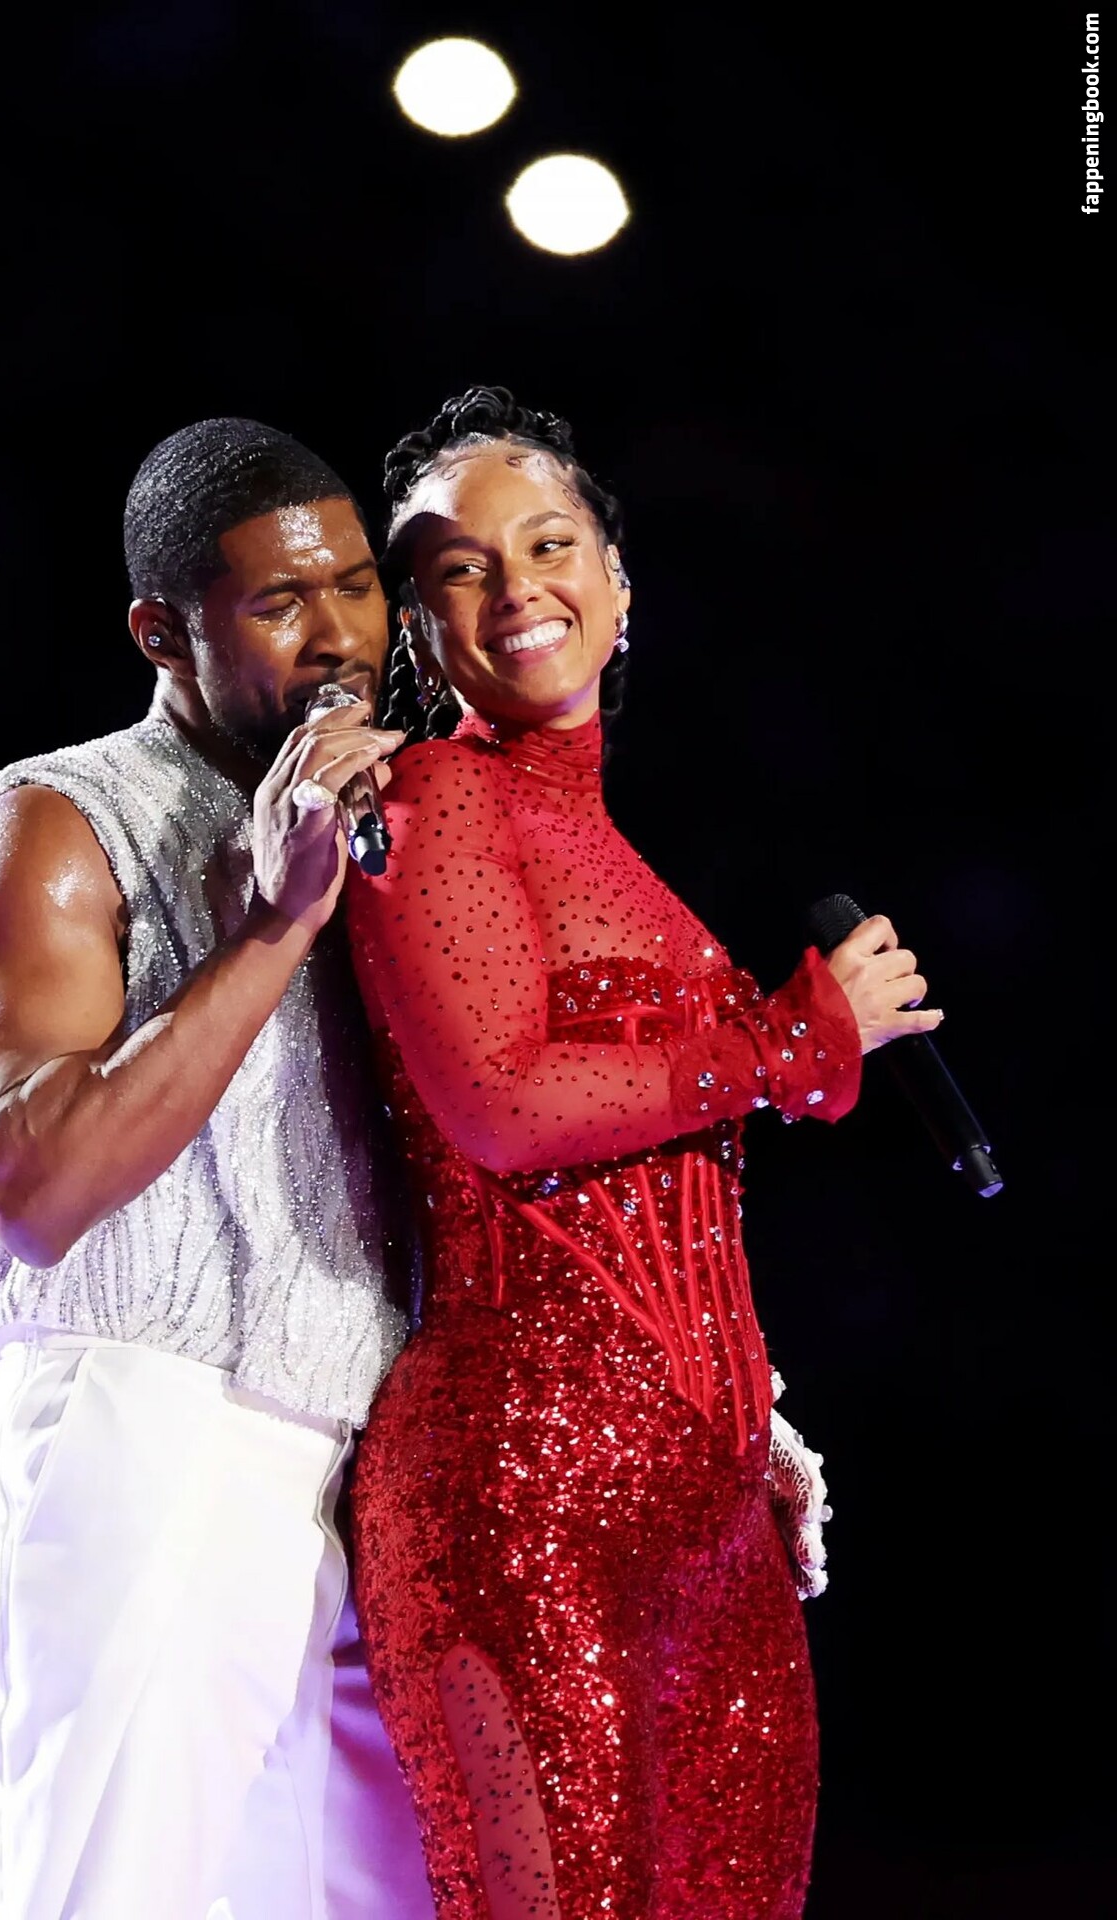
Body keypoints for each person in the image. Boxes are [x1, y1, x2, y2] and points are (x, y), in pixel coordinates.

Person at [340, 386, 944, 1918]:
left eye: (549, 544)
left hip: (713, 1521)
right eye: (460, 568)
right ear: (419, 629)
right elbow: (501, 1106)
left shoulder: (614, 850)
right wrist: (789, 1046)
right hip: (521, 1496)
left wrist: (747, 1424)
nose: (515, 587)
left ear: (617, 582)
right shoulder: (431, 799)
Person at [0, 416, 437, 1920]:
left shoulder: (386, 824)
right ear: (161, 632)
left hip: (358, 1463)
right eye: (279, 603)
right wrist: (273, 928)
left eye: (355, 587)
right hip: (150, 1426)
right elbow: (39, 1186)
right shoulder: (55, 826)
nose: (337, 639)